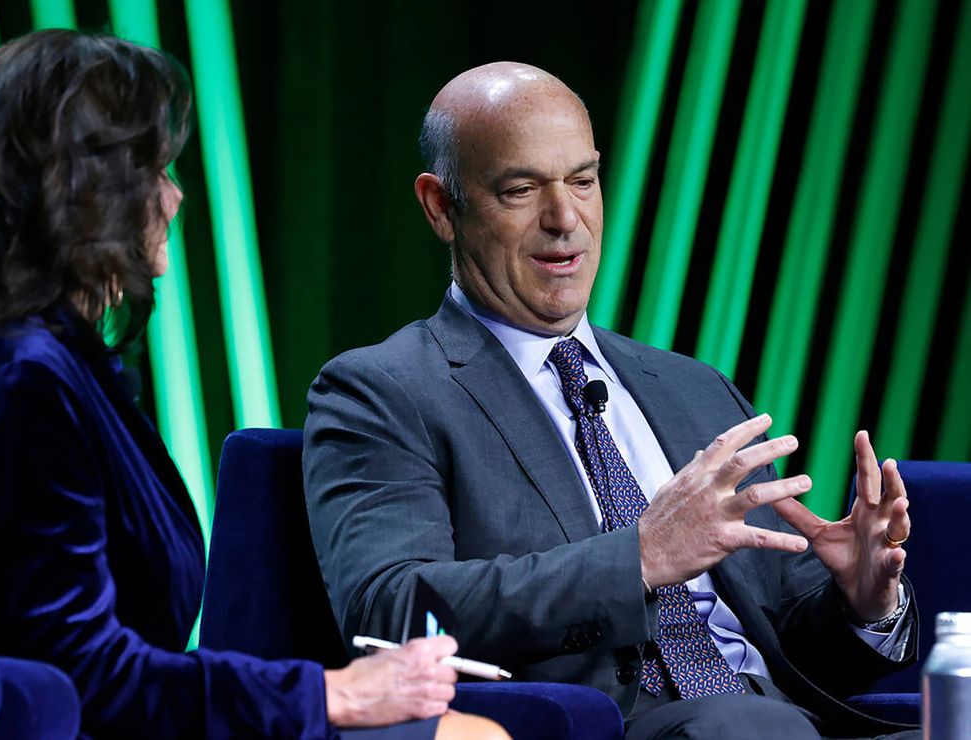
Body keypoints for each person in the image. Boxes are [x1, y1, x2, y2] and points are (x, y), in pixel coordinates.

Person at [0, 30, 507, 740]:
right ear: (86, 190)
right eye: (155, 169)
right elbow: (85, 675)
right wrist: (332, 694)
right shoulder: (14, 379)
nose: (174, 198)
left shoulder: (46, 363)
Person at [303, 62, 919, 739]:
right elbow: (389, 612)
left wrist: (864, 600)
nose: (565, 218)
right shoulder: (384, 391)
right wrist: (641, 557)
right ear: (442, 207)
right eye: (520, 189)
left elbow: (797, 656)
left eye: (583, 181)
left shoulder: (694, 388)